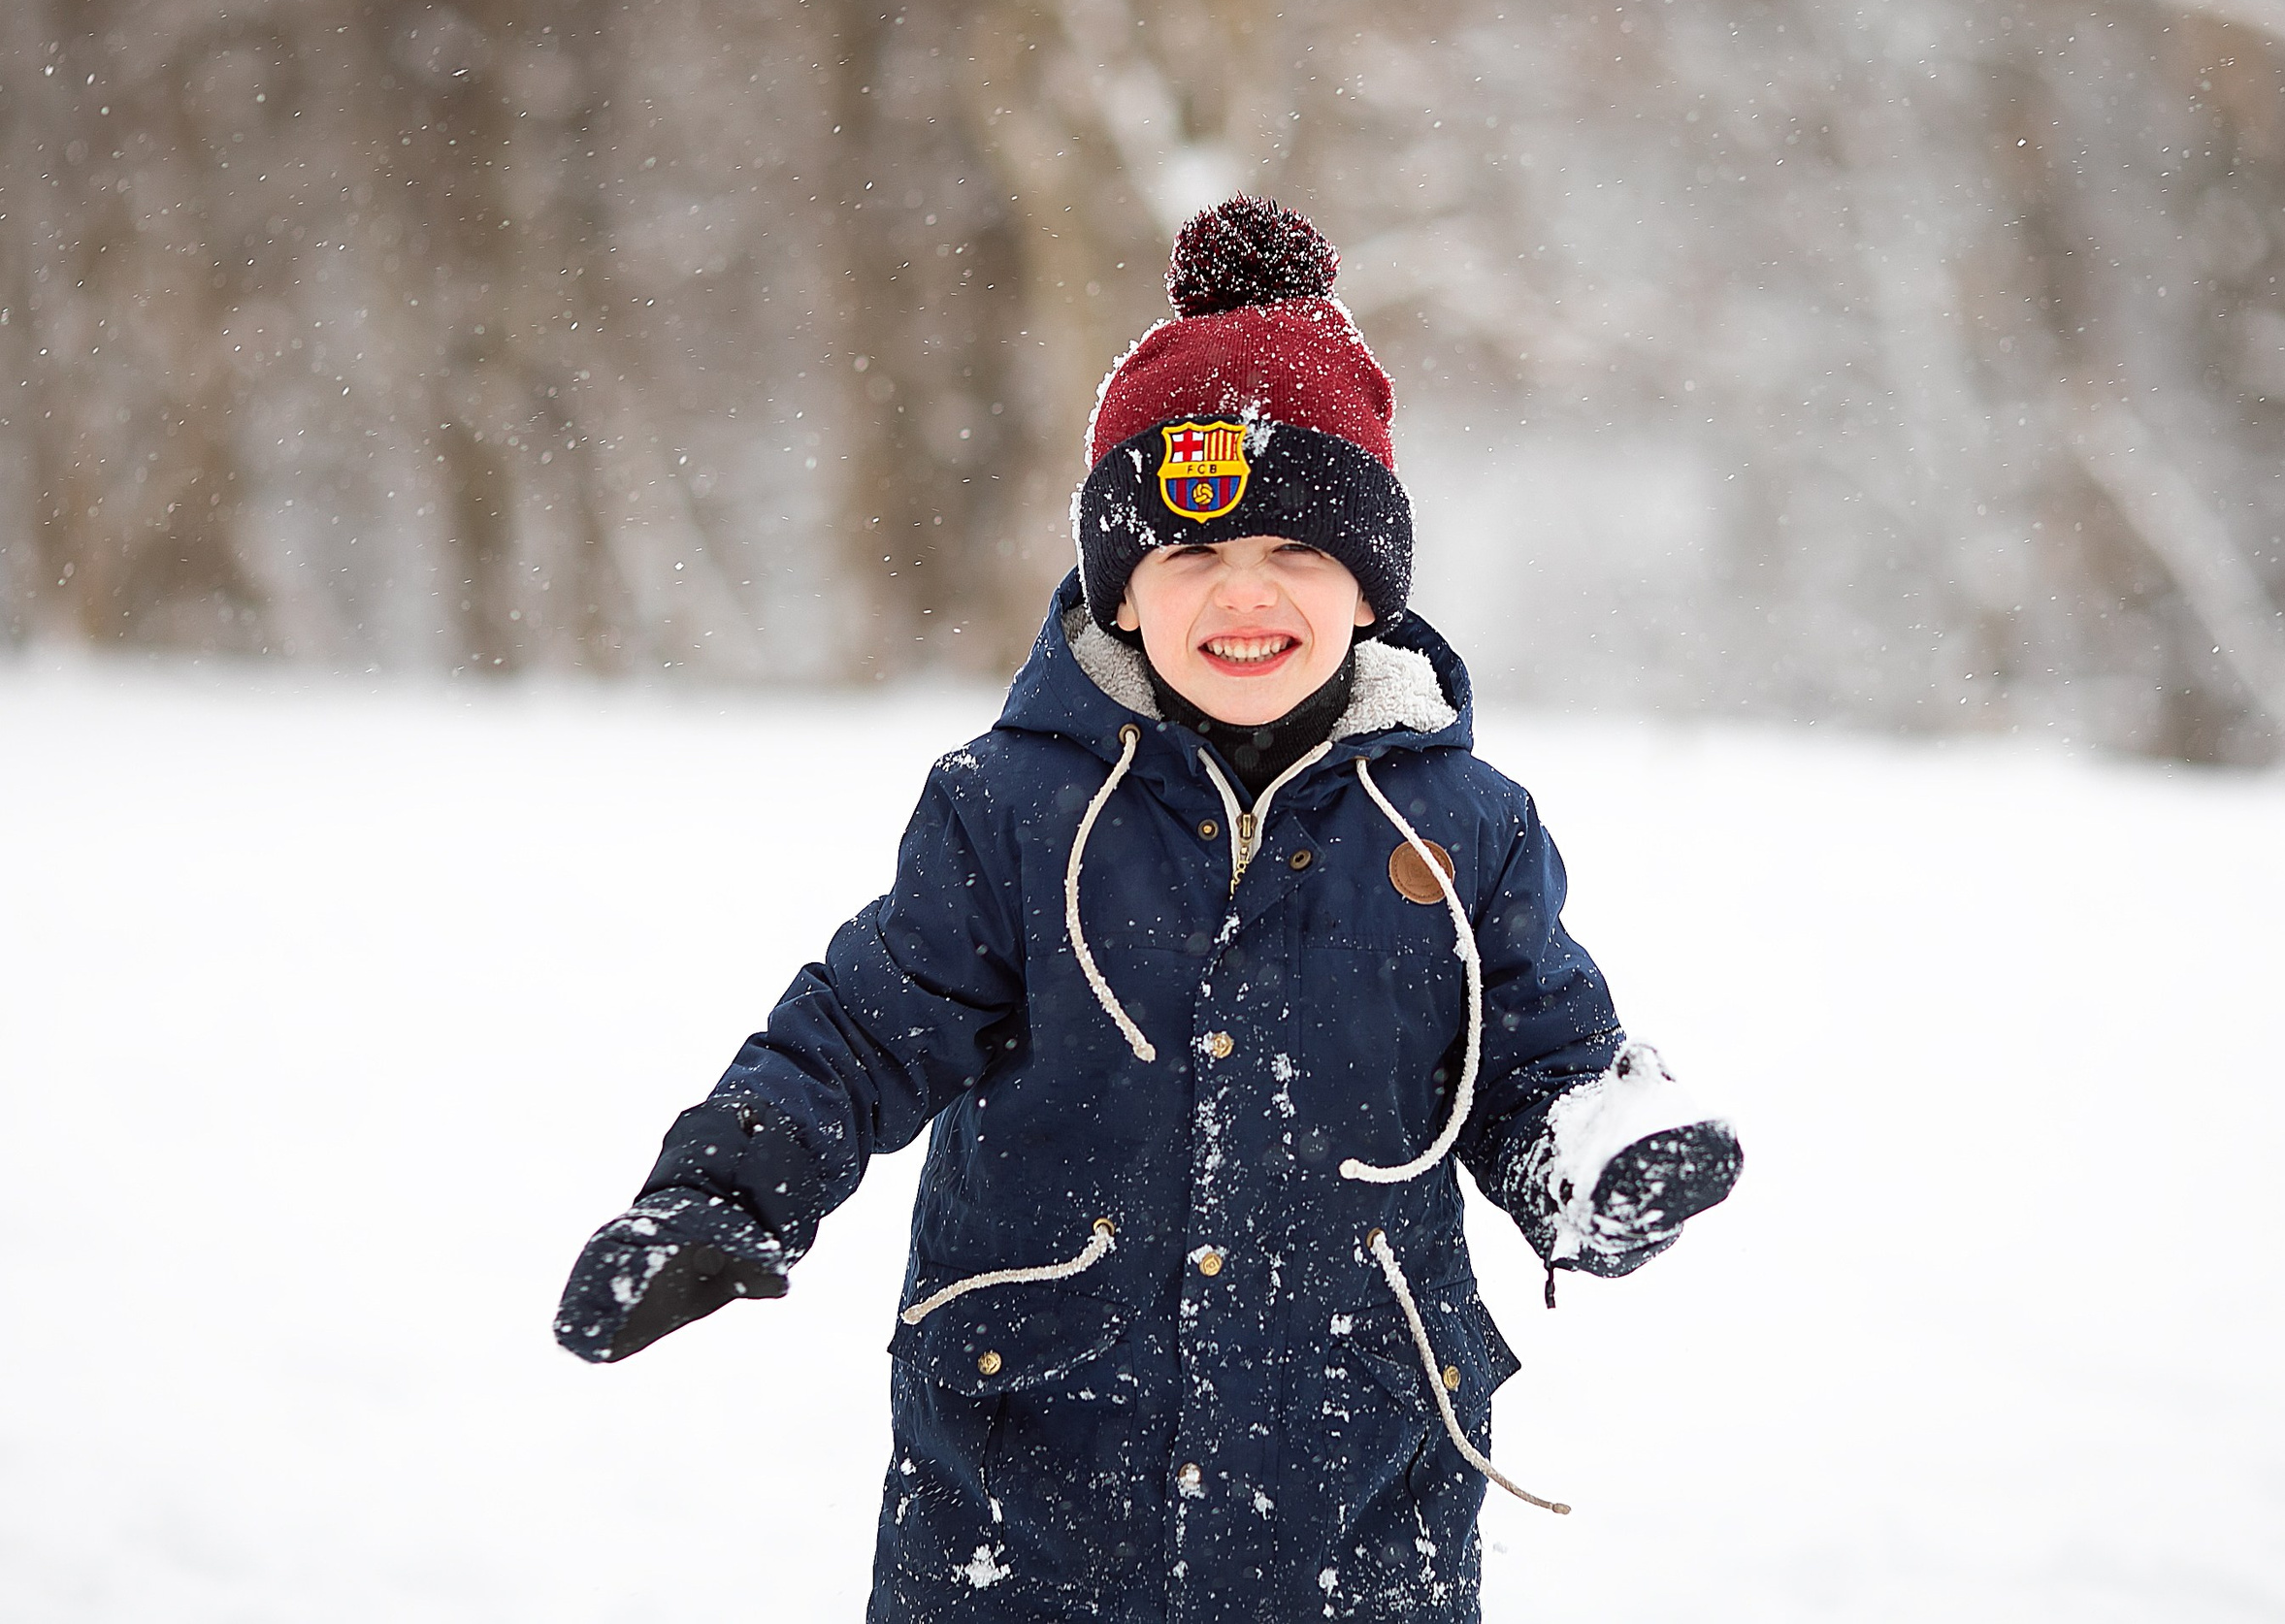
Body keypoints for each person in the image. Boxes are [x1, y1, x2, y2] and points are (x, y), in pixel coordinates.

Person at [554, 196, 1742, 1623]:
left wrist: (1594, 1167)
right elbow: (862, 1031)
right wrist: (720, 1191)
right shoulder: (1012, 812)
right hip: (1032, 1481)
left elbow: (1540, 1067)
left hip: (1353, 1490)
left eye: (1298, 554)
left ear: (1369, 590)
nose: (1247, 597)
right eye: (1193, 556)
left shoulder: (1463, 827)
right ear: (1124, 594)